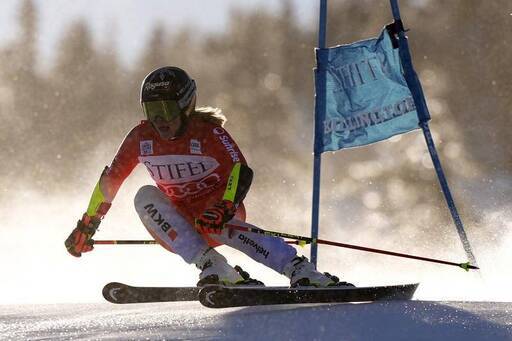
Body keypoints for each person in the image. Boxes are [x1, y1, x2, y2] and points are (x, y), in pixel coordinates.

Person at [65, 66, 352, 288]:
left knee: (214, 222)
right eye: (152, 110)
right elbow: (111, 181)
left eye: (166, 109)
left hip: (217, 214)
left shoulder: (208, 134)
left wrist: (225, 206)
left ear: (185, 105)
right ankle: (214, 266)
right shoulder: (141, 137)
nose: (159, 120)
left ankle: (300, 269)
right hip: (179, 226)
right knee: (144, 196)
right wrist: (88, 224)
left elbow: (240, 170)